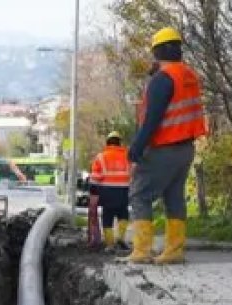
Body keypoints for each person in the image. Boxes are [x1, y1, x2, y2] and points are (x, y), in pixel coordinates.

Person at [125, 27, 208, 265]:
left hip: (164, 146)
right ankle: (174, 250)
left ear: (157, 51)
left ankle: (141, 250)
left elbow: (153, 118)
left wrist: (137, 147)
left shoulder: (163, 78)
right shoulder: (189, 75)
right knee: (174, 197)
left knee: (139, 194)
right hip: (186, 147)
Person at [88, 131, 132, 251]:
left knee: (107, 217)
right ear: (119, 143)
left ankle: (110, 244)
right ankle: (121, 238)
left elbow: (95, 177)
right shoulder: (127, 156)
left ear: (107, 142)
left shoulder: (101, 156)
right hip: (124, 191)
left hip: (107, 192)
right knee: (123, 214)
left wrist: (93, 191)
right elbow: (134, 174)